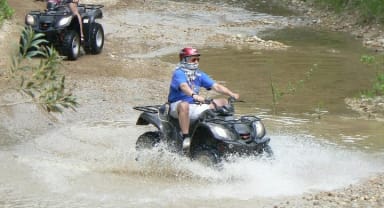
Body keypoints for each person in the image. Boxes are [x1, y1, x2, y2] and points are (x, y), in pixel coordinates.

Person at [167, 47, 240, 152]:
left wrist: (231, 93)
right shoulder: (179, 73)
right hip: (177, 106)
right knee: (184, 105)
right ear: (184, 60)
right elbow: (183, 86)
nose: (196, 62)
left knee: (224, 102)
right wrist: (194, 95)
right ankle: (186, 137)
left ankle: (227, 132)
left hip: (194, 105)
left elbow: (216, 86)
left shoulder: (198, 74)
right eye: (193, 59)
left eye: (198, 59)